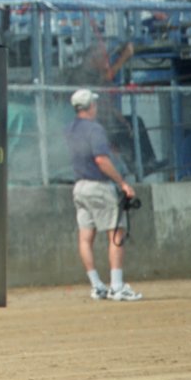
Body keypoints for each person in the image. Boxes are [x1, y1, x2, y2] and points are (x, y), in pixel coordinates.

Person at [67, 88, 143, 302]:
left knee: (85, 237)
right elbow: (101, 159)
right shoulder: (95, 129)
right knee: (116, 233)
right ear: (91, 106)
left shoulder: (70, 130)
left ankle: (97, 286)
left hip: (79, 186)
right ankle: (117, 286)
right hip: (98, 186)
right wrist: (122, 183)